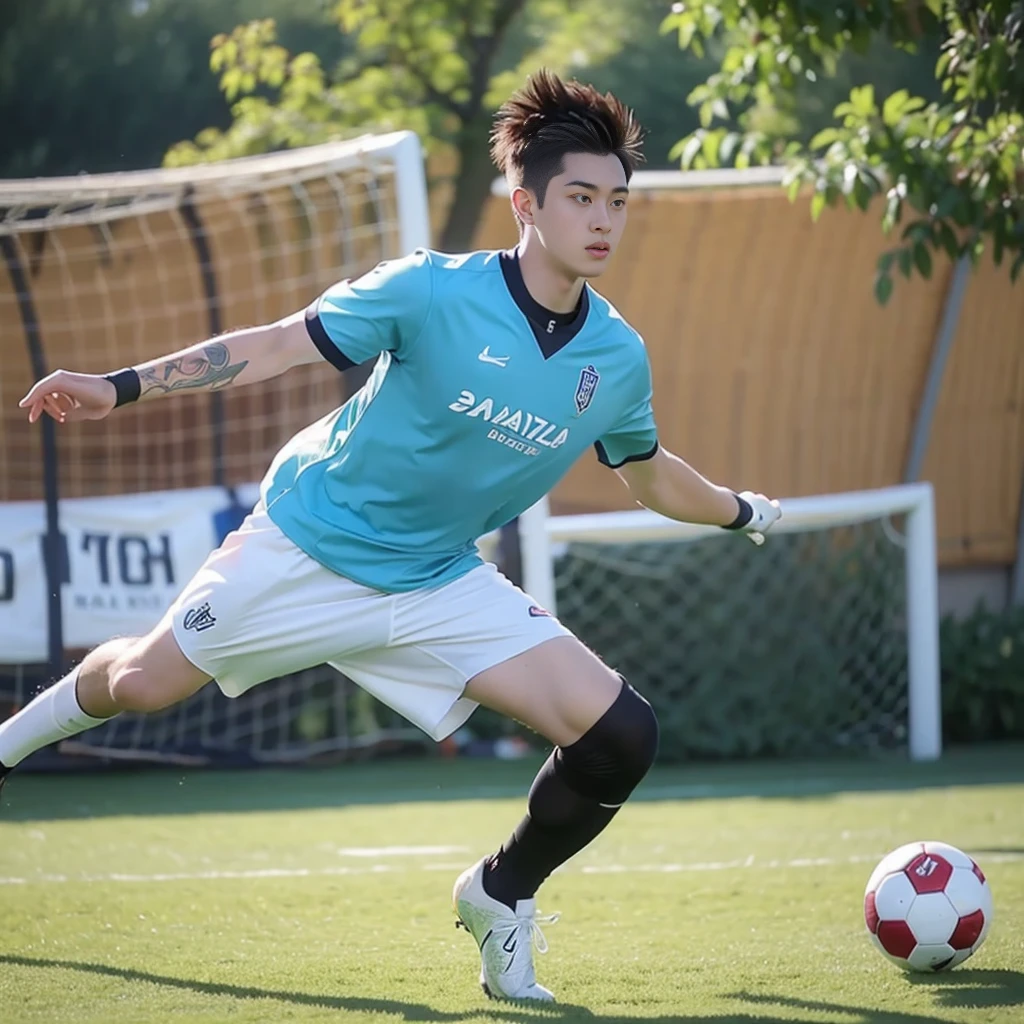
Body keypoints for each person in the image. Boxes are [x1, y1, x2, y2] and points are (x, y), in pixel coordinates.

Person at [2, 69, 781, 1002]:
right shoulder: (428, 290)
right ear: (524, 202)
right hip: (307, 546)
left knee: (621, 736)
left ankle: (498, 894)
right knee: (139, 685)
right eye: (581, 197)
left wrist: (737, 508)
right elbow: (280, 343)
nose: (603, 218)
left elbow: (651, 474)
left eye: (617, 200)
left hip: (436, 580)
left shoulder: (616, 357)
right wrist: (121, 385)